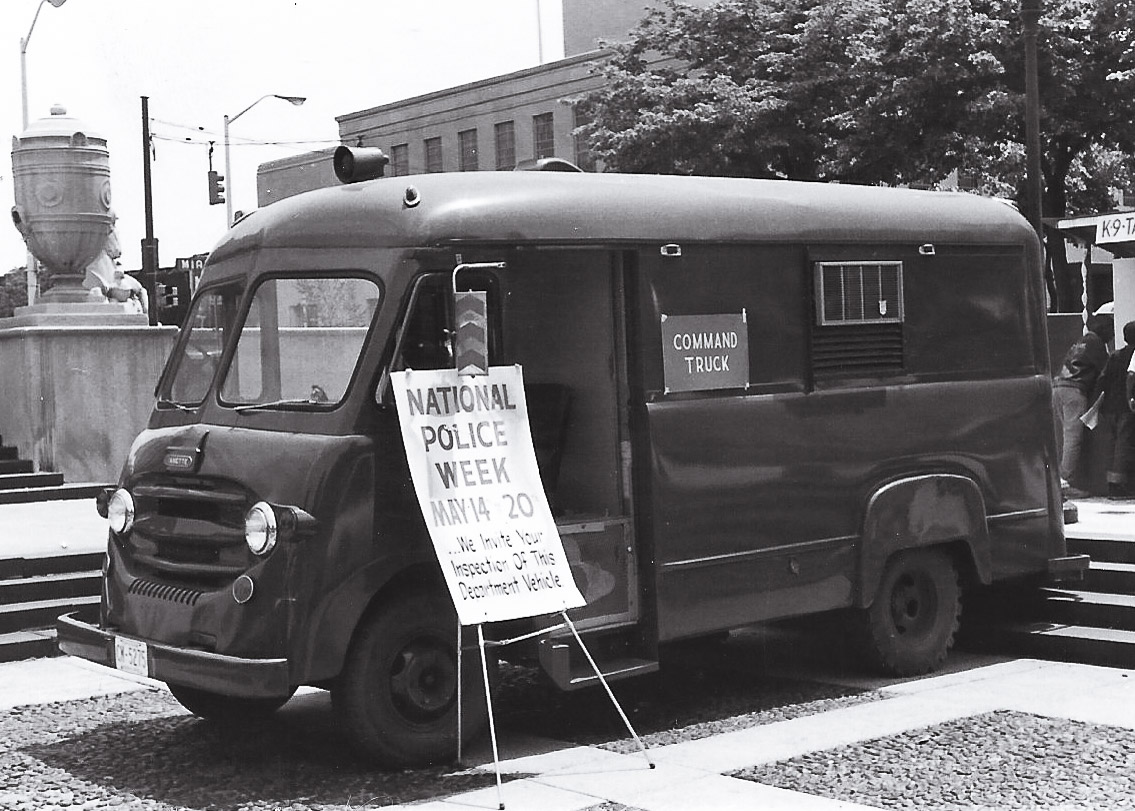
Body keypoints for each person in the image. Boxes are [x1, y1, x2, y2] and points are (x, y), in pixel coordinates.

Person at [1053, 314, 1112, 497]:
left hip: (1058, 387)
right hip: (1075, 390)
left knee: (1065, 436)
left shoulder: (1080, 342)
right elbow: (1106, 370)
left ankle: (1062, 480)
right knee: (1073, 438)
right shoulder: (1096, 344)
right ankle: (1064, 484)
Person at [1093, 320, 1135, 499]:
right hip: (1125, 406)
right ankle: (1118, 486)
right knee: (1123, 445)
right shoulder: (1132, 355)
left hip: (1109, 406)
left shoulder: (1115, 355)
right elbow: (1131, 378)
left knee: (1114, 444)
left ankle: (1112, 484)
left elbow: (1102, 379)